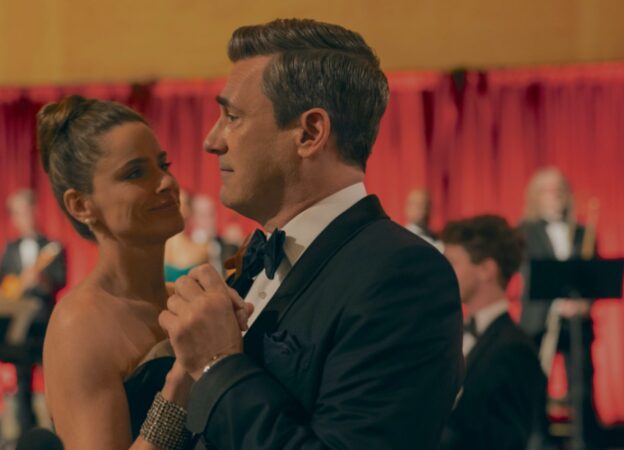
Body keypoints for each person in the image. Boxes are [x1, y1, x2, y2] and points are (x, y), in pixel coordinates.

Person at [158, 19, 464, 449]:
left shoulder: (404, 275)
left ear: (310, 133)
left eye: (232, 117)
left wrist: (218, 363)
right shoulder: (257, 258)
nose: (212, 141)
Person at [36, 95, 252, 450]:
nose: (166, 182)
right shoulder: (79, 324)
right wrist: (182, 381)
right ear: (81, 205)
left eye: (163, 165)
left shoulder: (186, 298)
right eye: (135, 173)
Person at [440, 215, 545, 450]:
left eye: (453, 263)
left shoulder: (515, 348)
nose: (443, 272)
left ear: (486, 269)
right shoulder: (450, 333)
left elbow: (508, 440)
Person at [518, 167, 600, 448]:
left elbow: (593, 275)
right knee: (536, 382)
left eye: (559, 190)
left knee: (581, 382)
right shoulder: (524, 231)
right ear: (536, 196)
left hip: (576, 321)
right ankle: (538, 439)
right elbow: (528, 273)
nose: (555, 196)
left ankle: (583, 439)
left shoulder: (583, 232)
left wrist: (584, 301)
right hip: (540, 320)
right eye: (548, 191)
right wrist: (555, 302)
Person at [0, 188, 67, 432]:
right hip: (20, 323)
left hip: (45, 321)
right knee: (22, 379)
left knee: (53, 378)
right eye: (17, 213)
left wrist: (41, 280)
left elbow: (61, 279)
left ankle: (58, 430)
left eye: (26, 211)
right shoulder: (9, 249)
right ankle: (25, 434)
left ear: (36, 211)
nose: (23, 217)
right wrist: (11, 288)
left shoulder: (53, 247)